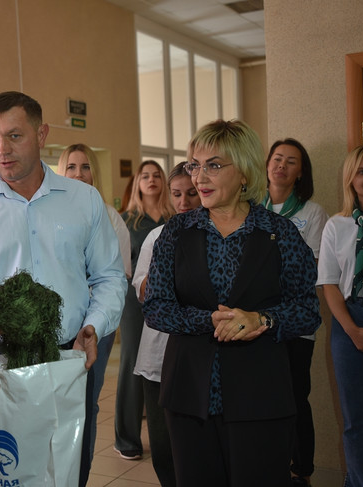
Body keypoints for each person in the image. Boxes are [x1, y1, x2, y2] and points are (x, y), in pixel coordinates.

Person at [0, 91, 126, 487]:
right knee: (2, 472)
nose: (1, 150)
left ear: (41, 135)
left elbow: (109, 277)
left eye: (14, 136)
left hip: (68, 357)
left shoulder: (83, 201)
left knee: (67, 470)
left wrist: (94, 327)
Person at [143, 119, 321, 487]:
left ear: (244, 172)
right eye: (195, 164)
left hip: (261, 395)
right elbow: (156, 306)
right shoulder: (176, 231)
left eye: (213, 165)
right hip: (189, 396)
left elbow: (307, 310)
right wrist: (208, 320)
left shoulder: (279, 233)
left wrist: (262, 319)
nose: (199, 177)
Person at [317, 144, 363, 487]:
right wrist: (353, 330)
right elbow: (329, 284)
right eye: (362, 171)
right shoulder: (337, 225)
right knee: (355, 421)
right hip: (348, 320)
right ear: (350, 178)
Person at [56, 143, 132, 461]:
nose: (78, 173)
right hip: (57, 323)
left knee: (86, 399)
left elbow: (119, 275)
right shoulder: (51, 215)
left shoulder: (110, 217)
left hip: (93, 325)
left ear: (94, 173)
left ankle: (80, 468)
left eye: (85, 166)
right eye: (71, 167)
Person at [262, 138, 328, 487]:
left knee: (295, 396)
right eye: (277, 158)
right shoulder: (250, 207)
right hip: (255, 320)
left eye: (291, 161)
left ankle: (300, 469)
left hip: (295, 322)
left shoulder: (312, 213)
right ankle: (269, 463)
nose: (281, 166)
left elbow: (312, 265)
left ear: (300, 171)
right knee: (263, 396)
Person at [131, 161, 200, 487]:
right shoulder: (157, 237)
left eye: (191, 193)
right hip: (157, 357)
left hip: (198, 357)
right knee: (162, 445)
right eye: (177, 194)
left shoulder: (212, 236)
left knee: (194, 447)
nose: (184, 201)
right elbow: (143, 288)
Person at [115, 159, 174, 460]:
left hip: (171, 303)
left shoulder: (175, 216)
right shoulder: (127, 221)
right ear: (137, 183)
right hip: (134, 301)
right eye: (145, 176)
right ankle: (127, 438)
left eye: (156, 176)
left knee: (164, 364)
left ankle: (167, 434)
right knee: (131, 363)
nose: (151, 180)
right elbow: (122, 268)